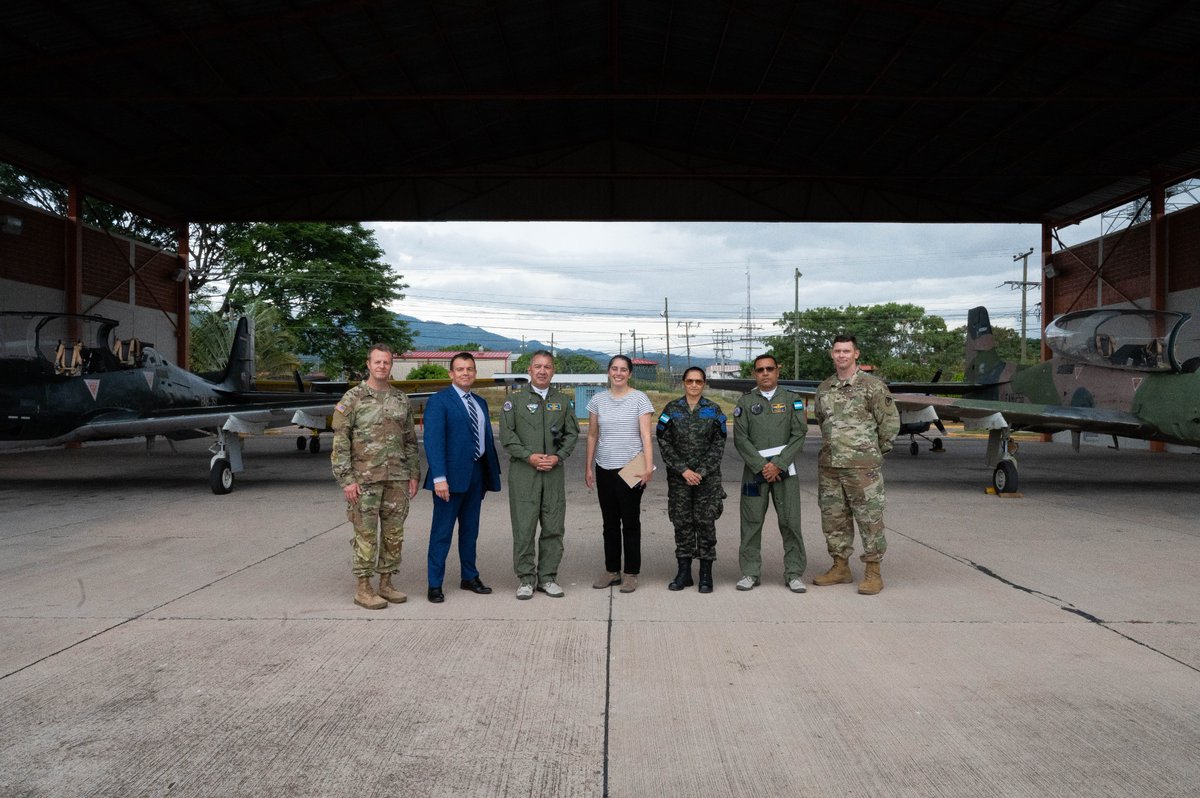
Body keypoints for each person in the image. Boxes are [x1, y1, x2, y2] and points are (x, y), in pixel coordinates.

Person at [330, 343, 421, 610]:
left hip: (396, 479)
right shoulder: (353, 399)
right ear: (368, 364)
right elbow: (340, 443)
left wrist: (413, 473)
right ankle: (363, 588)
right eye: (377, 362)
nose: (382, 366)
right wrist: (346, 479)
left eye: (387, 362)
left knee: (394, 534)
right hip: (364, 480)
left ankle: (386, 583)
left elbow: (410, 441)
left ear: (391, 365)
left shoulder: (401, 399)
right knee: (366, 535)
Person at [812, 335, 900, 595]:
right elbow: (821, 421)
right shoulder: (824, 388)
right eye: (837, 351)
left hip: (863, 468)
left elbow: (890, 424)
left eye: (846, 351)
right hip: (830, 467)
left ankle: (873, 572)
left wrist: (873, 453)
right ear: (831, 354)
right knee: (834, 519)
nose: (841, 355)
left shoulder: (872, 386)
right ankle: (840, 567)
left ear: (856, 354)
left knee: (869, 519)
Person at [499, 350, 580, 599]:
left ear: (553, 371)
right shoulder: (514, 401)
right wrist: (528, 456)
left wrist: (558, 456)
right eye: (538, 366)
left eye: (547, 367)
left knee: (553, 526)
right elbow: (507, 435)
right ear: (529, 370)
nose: (542, 371)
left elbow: (571, 433)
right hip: (524, 472)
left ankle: (547, 577)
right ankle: (525, 579)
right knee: (524, 527)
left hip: (553, 472)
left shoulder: (563, 401)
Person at [422, 351, 502, 603]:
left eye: (469, 369)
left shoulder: (481, 402)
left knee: (470, 531)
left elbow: (485, 440)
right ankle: (434, 583)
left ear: (475, 373)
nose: (465, 373)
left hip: (476, 476)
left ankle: (469, 576)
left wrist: (488, 475)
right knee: (442, 533)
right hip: (448, 479)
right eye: (460, 369)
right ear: (451, 373)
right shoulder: (439, 401)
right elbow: (433, 442)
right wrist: (439, 478)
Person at [733, 353, 808, 593]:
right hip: (754, 472)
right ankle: (750, 572)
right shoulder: (745, 402)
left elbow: (799, 434)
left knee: (790, 522)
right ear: (754, 373)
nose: (765, 373)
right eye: (760, 370)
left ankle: (794, 573)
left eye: (769, 369)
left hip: (785, 470)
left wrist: (779, 464)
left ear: (778, 371)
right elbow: (740, 438)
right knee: (751, 522)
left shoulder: (792, 400)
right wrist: (761, 465)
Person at [584, 355, 655, 593]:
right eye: (614, 369)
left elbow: (646, 436)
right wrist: (588, 466)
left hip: (632, 467)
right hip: (605, 467)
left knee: (631, 522)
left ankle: (631, 573)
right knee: (610, 522)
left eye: (623, 369)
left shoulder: (640, 399)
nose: (618, 373)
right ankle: (611, 570)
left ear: (630, 373)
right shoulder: (597, 400)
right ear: (608, 372)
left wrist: (648, 466)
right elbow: (592, 435)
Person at [656, 366, 727, 593]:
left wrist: (702, 471)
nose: (694, 385)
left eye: (698, 381)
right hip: (680, 479)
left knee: (706, 523)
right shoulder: (671, 409)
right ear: (683, 383)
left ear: (704, 384)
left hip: (707, 479)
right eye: (689, 381)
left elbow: (719, 444)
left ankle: (706, 574)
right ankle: (684, 572)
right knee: (682, 523)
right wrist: (683, 470)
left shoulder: (714, 410)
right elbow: (663, 441)